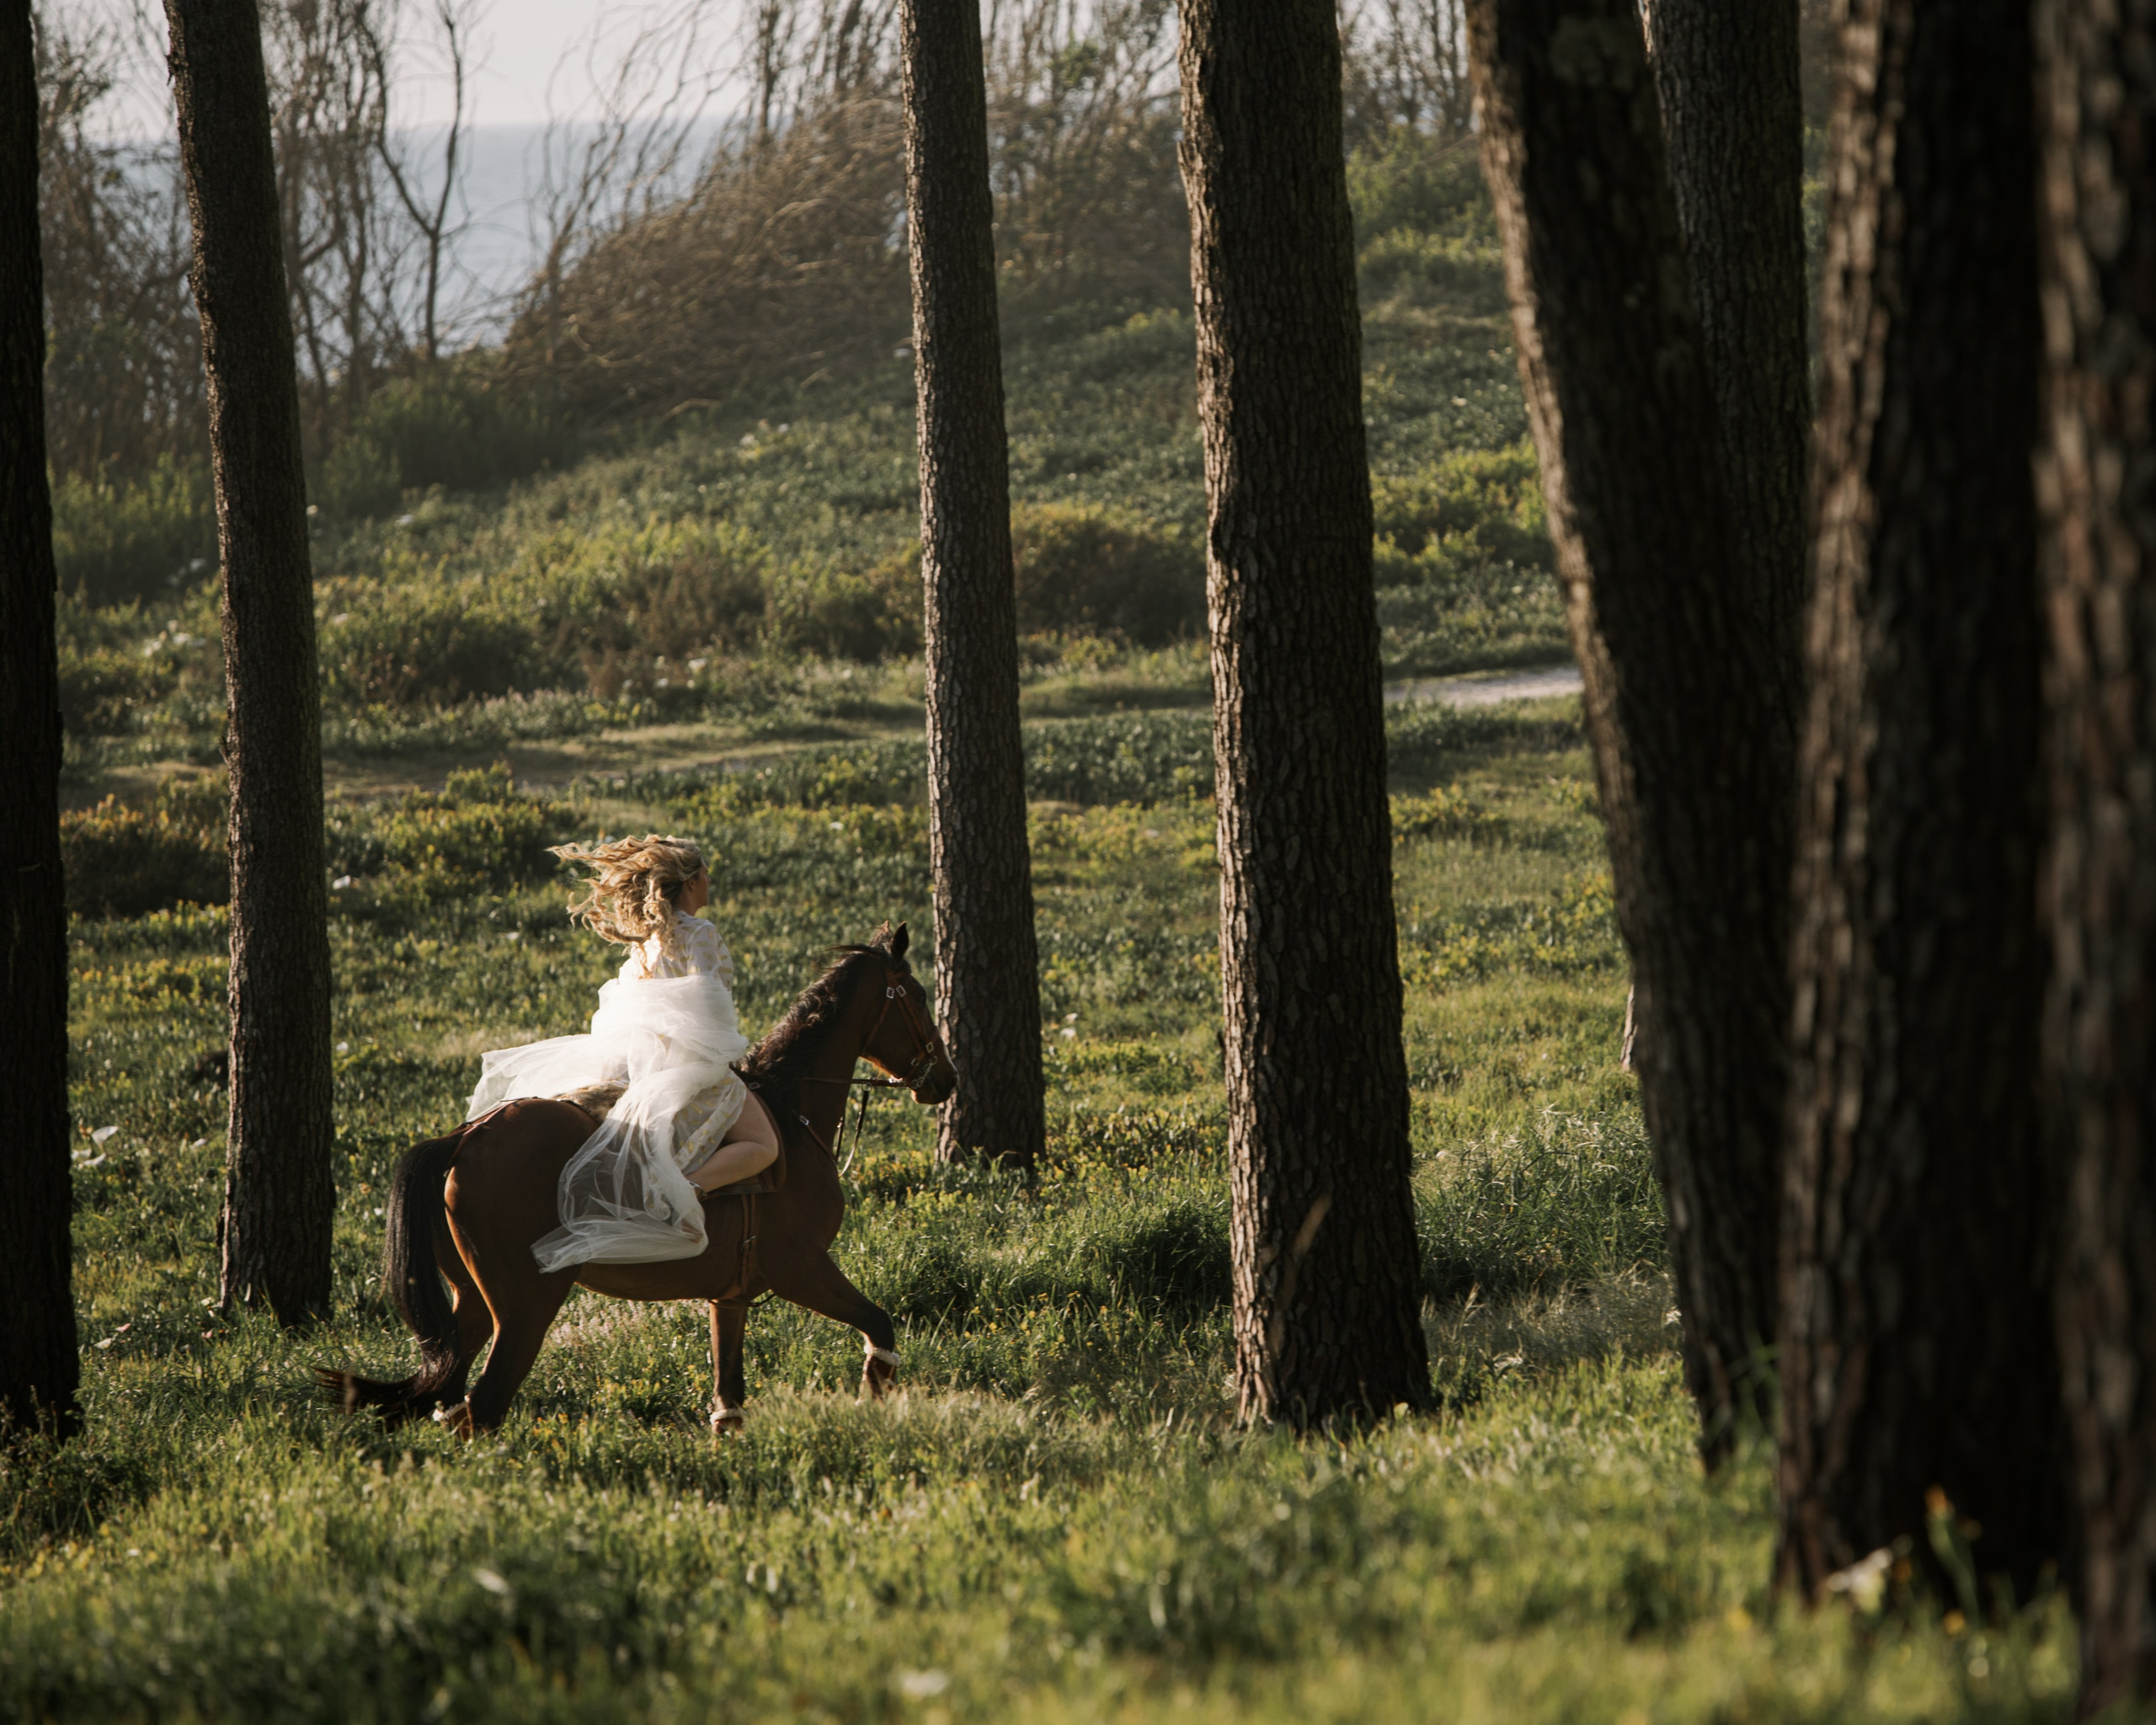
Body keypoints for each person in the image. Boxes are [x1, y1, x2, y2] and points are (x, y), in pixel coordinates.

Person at [464, 835, 781, 1272]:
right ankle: (684, 1193)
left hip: (640, 1066)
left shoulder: (645, 942)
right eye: (706, 873)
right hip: (688, 1066)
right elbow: (708, 1007)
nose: (710, 881)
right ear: (689, 883)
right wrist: (723, 1057)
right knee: (763, 1145)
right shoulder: (700, 933)